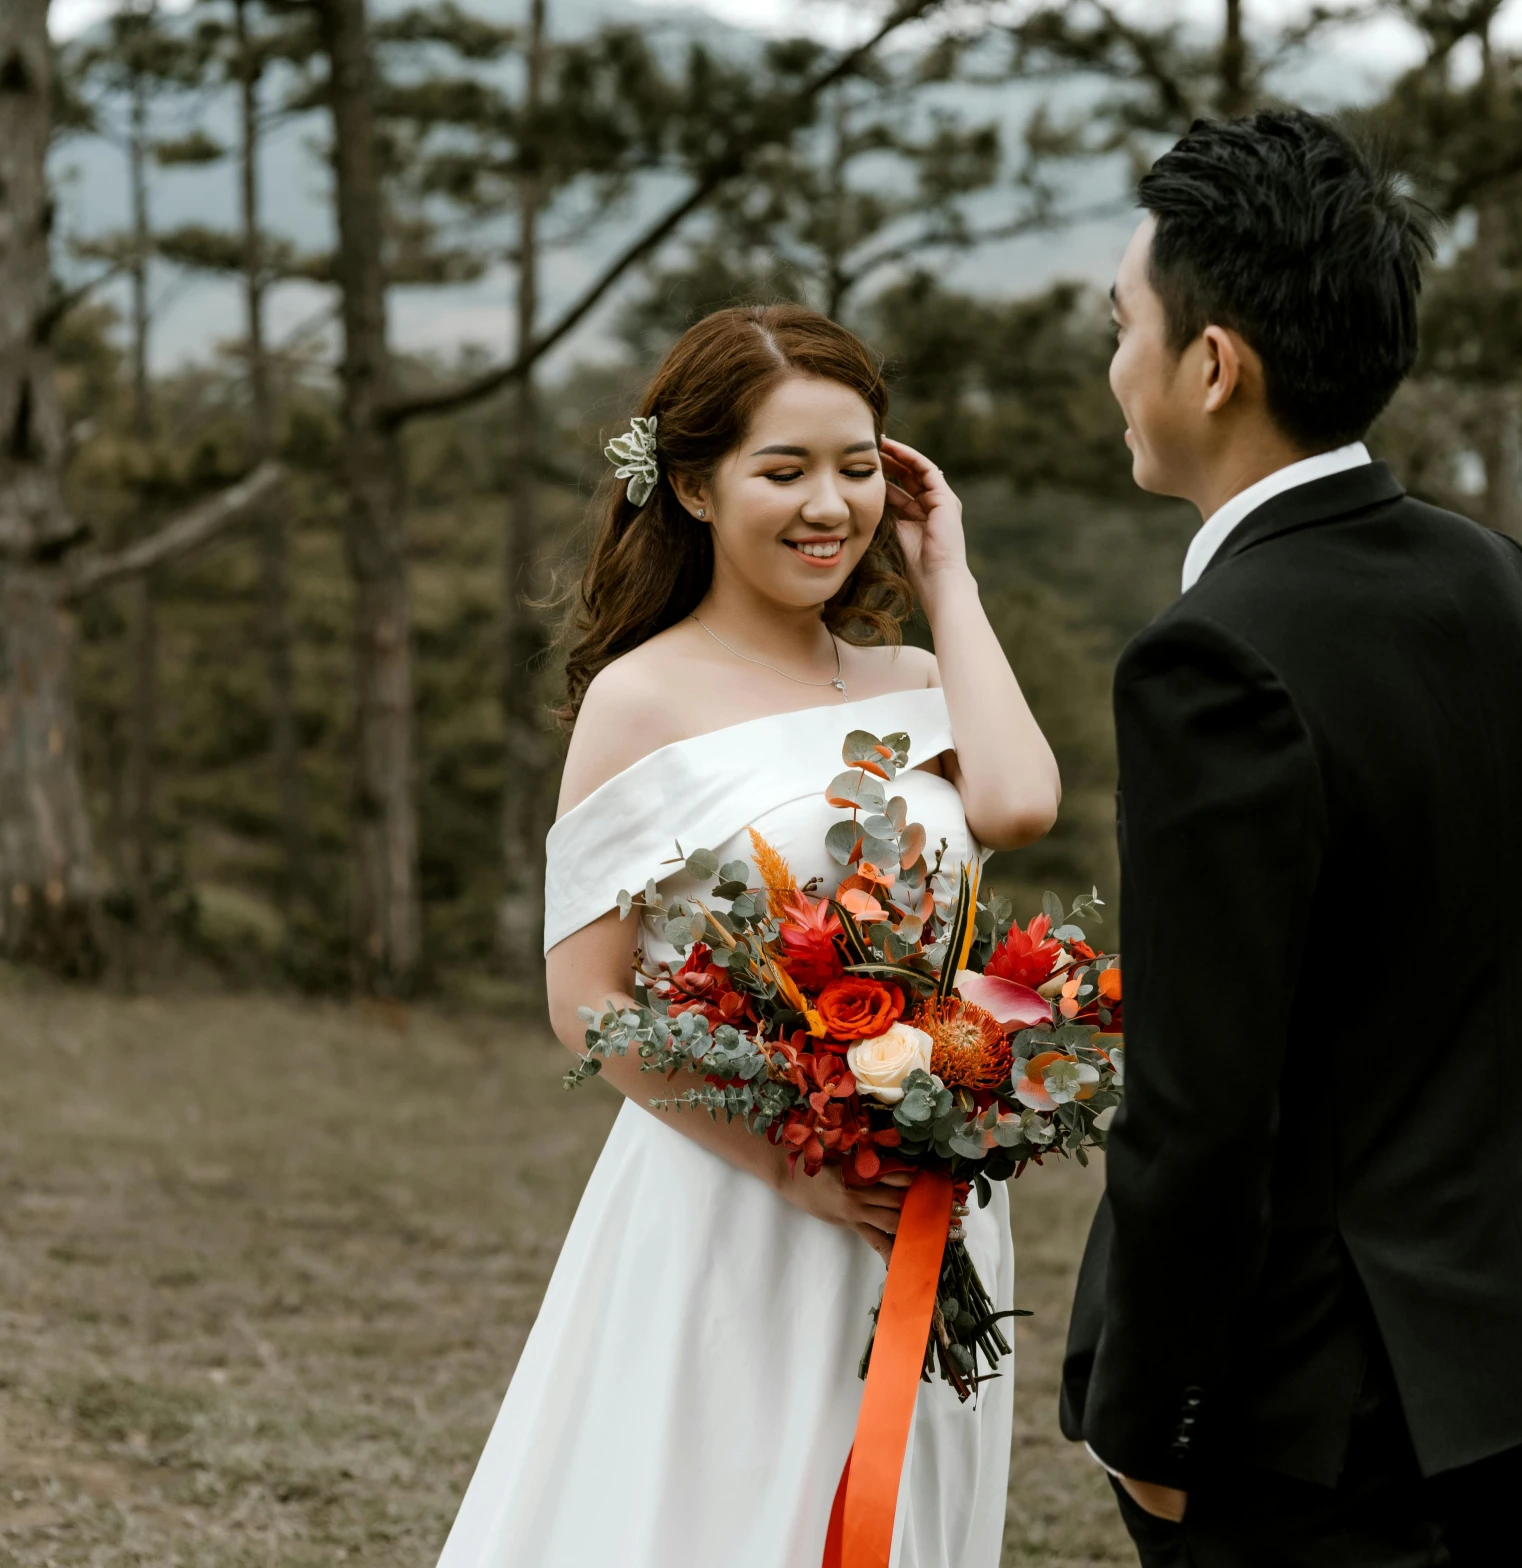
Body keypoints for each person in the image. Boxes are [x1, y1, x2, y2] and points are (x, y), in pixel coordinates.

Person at [1059, 110, 1522, 1568]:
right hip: (1510, 1373)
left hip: (1303, 1437)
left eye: (1123, 323)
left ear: (1211, 364)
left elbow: (1200, 1106)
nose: (1111, 362)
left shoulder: (1210, 659)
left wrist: (1159, 1423)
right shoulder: (1498, 577)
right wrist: (1467, 1223)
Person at [433, 305, 1060, 1568]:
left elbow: (1017, 803)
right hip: (735, 1196)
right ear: (692, 486)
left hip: (927, 1203)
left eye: (856, 465)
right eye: (784, 471)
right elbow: (588, 1002)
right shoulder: (641, 695)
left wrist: (951, 577)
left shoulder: (911, 679)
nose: (828, 505)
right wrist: (788, 1160)